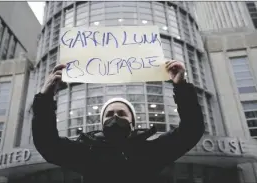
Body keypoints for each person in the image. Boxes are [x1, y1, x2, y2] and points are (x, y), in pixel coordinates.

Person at [32, 60, 205, 183]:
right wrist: (45, 97)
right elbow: (48, 144)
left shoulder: (151, 152)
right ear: (101, 123)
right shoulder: (86, 153)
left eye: (122, 113)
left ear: (132, 121)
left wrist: (181, 87)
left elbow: (191, 130)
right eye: (109, 114)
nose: (115, 118)